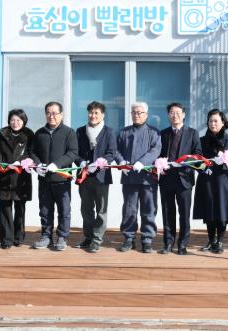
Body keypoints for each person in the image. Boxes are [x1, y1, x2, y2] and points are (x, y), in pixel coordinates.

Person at [29, 101, 78, 251]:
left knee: (64, 210)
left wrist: (57, 164)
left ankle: (62, 237)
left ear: (61, 114)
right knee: (45, 210)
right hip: (44, 179)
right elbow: (32, 152)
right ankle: (46, 237)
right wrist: (38, 165)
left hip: (62, 179)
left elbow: (73, 153)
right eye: (48, 113)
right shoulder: (40, 133)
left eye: (55, 113)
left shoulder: (69, 132)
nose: (52, 116)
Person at [115, 102, 161, 253]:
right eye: (134, 112)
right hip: (129, 178)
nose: (137, 115)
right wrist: (121, 161)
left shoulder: (153, 132)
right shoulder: (124, 132)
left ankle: (147, 239)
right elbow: (116, 150)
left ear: (146, 115)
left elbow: (156, 150)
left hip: (147, 178)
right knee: (129, 209)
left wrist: (143, 162)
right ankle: (129, 238)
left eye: (140, 112)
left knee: (149, 208)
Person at [158, 102, 201, 255]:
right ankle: (168, 243)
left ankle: (182, 244)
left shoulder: (192, 133)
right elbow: (158, 154)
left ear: (183, 115)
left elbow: (198, 154)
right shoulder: (163, 133)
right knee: (167, 213)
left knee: (184, 214)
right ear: (168, 115)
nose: (174, 115)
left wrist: (185, 161)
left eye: (177, 112)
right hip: (166, 179)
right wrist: (159, 164)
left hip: (184, 179)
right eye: (171, 112)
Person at [193, 109, 228, 254]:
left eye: (216, 121)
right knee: (209, 211)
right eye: (210, 121)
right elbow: (196, 160)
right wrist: (203, 169)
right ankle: (211, 240)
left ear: (223, 123)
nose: (213, 124)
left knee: (222, 211)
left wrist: (226, 161)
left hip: (223, 180)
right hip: (207, 179)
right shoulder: (202, 140)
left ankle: (220, 241)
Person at [75, 101, 117, 253]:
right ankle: (88, 237)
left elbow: (112, 153)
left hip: (101, 176)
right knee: (86, 208)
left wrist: (100, 163)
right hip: (84, 176)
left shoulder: (109, 132)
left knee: (101, 209)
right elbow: (75, 152)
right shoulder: (80, 131)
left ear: (102, 115)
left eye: (96, 113)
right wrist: (81, 162)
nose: (93, 115)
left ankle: (97, 239)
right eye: (91, 113)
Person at [0, 109, 35, 249]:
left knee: (20, 209)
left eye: (18, 120)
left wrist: (20, 161)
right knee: (5, 208)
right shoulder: (1, 135)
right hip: (4, 176)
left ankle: (18, 237)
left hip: (21, 177)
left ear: (24, 121)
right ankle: (6, 240)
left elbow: (31, 153)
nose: (15, 123)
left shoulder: (29, 135)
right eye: (12, 120)